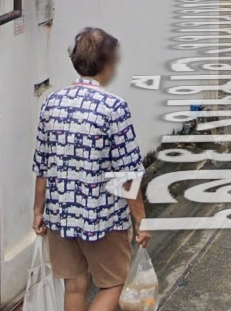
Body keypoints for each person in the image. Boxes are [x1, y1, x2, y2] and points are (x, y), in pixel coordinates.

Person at [33, 28, 150, 311]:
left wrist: (38, 210)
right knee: (114, 283)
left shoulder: (51, 103)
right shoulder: (114, 108)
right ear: (107, 63)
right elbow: (127, 174)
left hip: (60, 214)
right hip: (103, 217)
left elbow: (42, 164)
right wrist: (140, 220)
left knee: (74, 284)